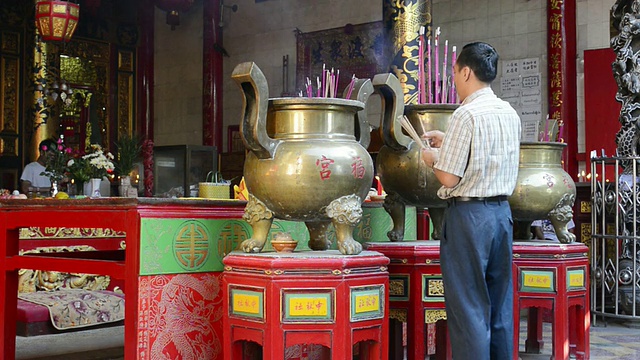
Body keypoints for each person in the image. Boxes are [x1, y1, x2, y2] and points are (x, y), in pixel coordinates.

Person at [421, 42, 522, 360]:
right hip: (501, 216)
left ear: (466, 71)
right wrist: (448, 142)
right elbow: (487, 157)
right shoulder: (509, 112)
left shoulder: (466, 114)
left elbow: (449, 177)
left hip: (469, 217)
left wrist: (433, 157)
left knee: (469, 308)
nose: (453, 79)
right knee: (499, 306)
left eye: (454, 72)